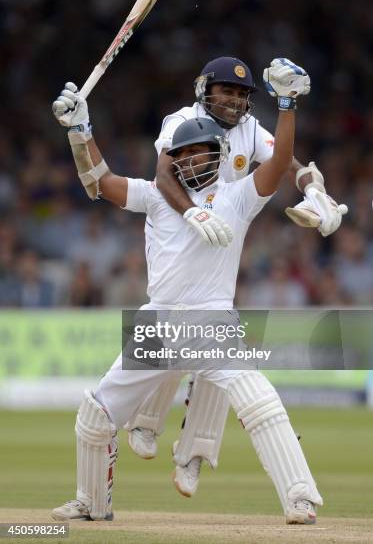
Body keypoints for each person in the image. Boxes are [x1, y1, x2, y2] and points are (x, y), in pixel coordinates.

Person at [51, 57, 323, 524]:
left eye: (211, 151)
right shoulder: (156, 195)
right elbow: (99, 183)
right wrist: (80, 130)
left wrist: (287, 104)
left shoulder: (237, 198)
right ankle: (92, 503)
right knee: (95, 416)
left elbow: (279, 161)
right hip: (156, 324)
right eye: (194, 152)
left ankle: (300, 497)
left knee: (259, 402)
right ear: (176, 157)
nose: (205, 159)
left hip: (212, 322)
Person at [125, 56, 348, 497]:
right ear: (205, 89)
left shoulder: (250, 129)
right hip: (178, 221)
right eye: (226, 90)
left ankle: (192, 453)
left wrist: (314, 188)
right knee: (171, 319)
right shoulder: (181, 120)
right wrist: (191, 212)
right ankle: (146, 420)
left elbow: (286, 161)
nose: (234, 100)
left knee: (216, 334)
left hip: (227, 221)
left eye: (243, 94)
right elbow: (164, 173)